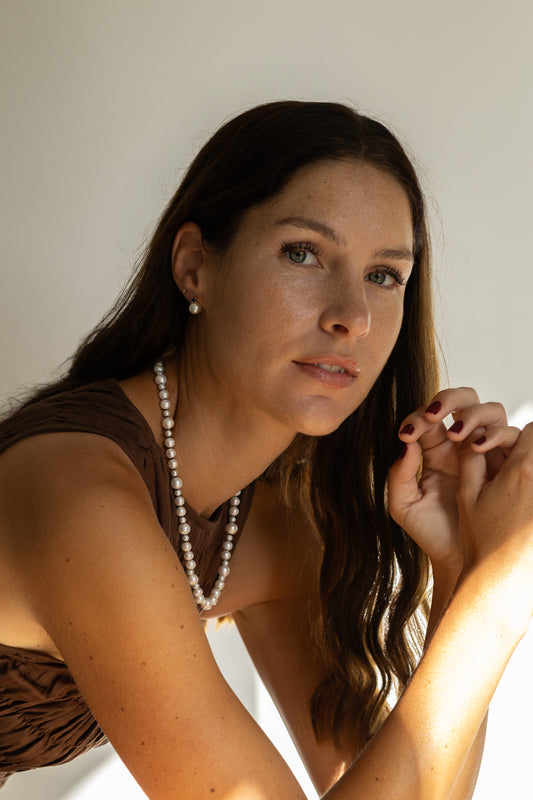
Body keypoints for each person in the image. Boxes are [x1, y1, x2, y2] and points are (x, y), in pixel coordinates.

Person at [0, 100, 531, 799]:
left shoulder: (270, 529)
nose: (351, 316)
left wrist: (463, 570)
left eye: (383, 275)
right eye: (303, 253)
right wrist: (501, 593)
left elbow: (406, 787)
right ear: (194, 268)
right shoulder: (79, 491)